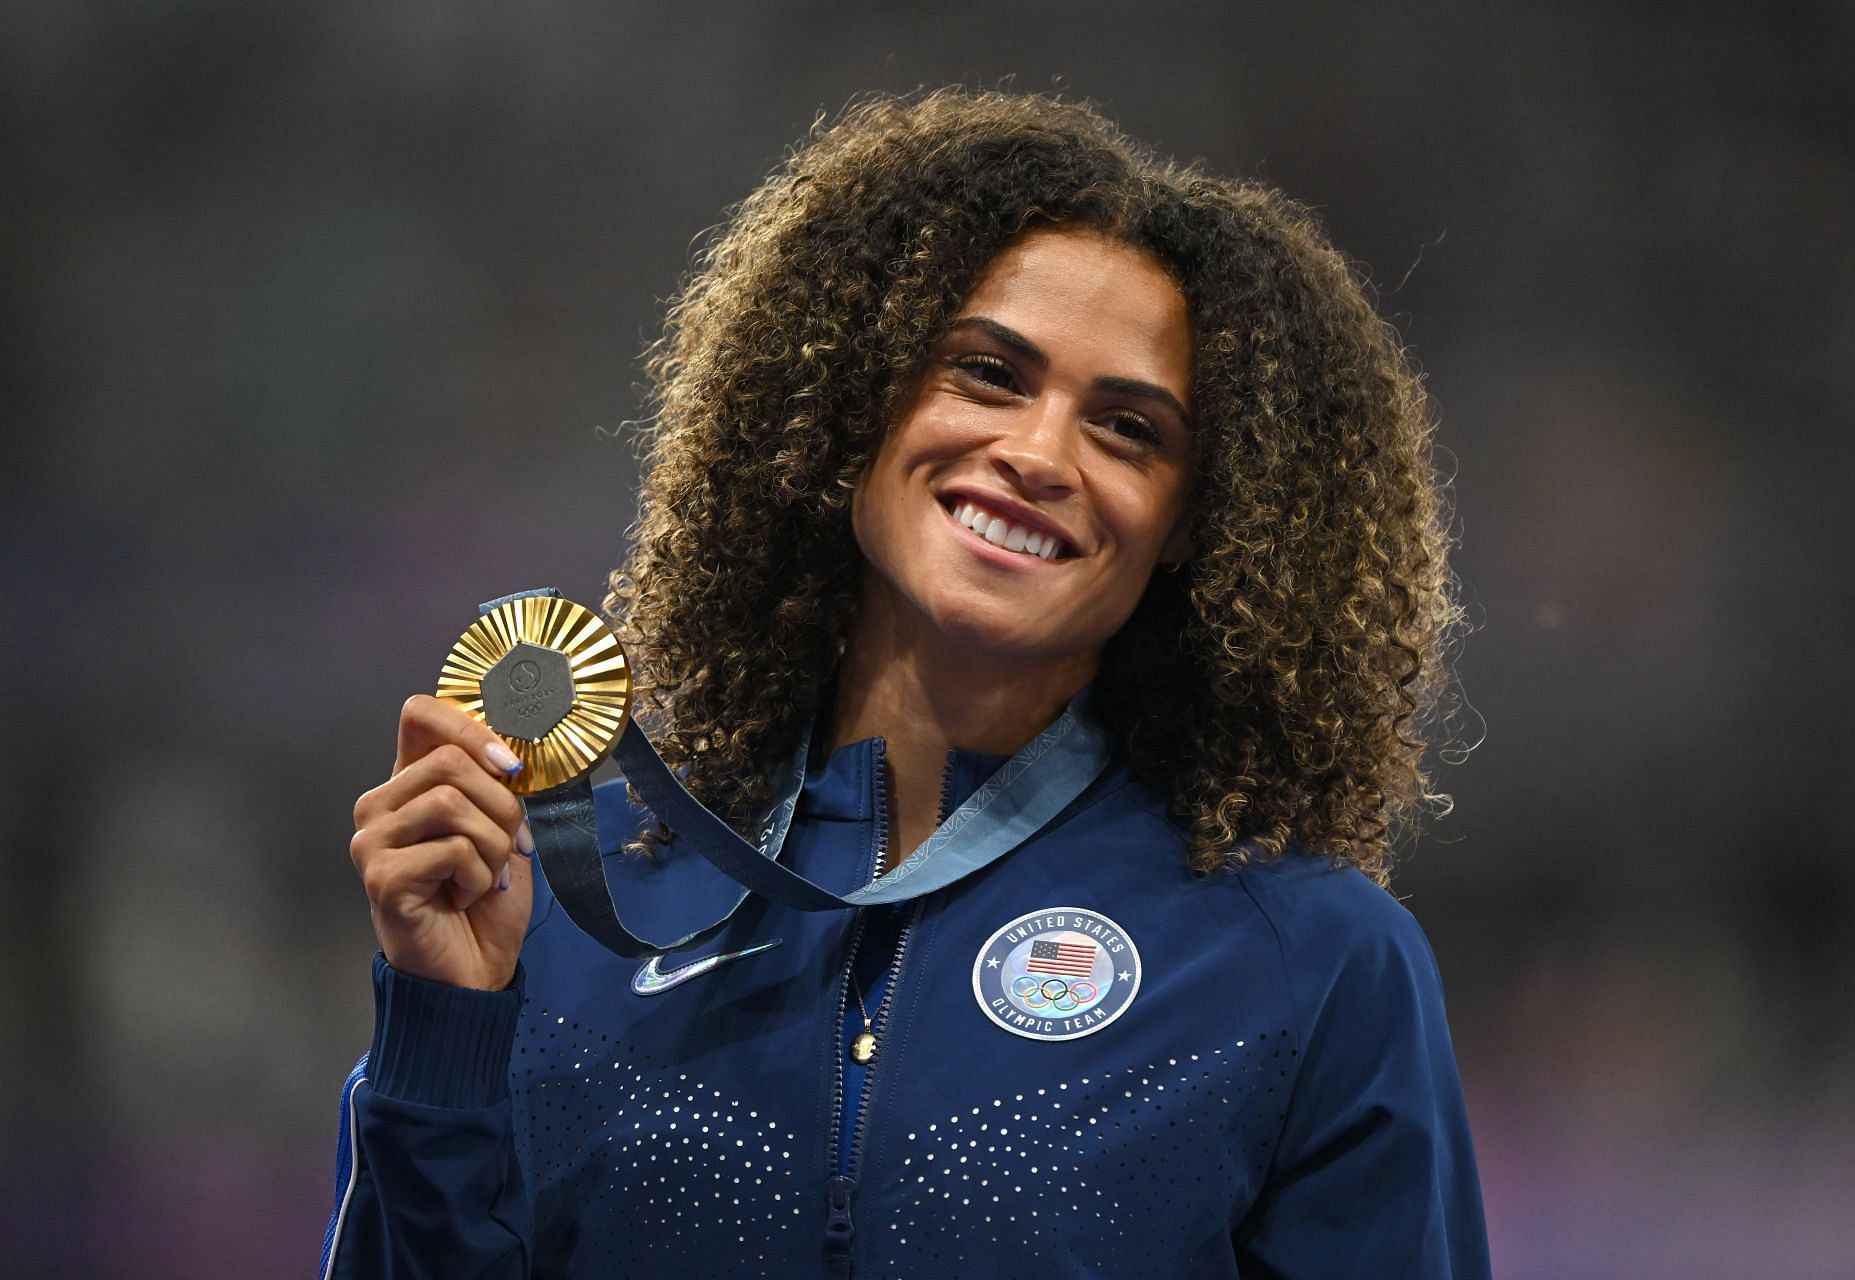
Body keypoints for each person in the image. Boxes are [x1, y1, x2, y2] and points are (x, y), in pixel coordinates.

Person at [322, 89, 1488, 1278]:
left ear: (1196, 522)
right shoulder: (566, 891)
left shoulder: (1309, 959)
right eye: (987, 372)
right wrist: (443, 1024)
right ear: (855, 393)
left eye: (1129, 428)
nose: (1038, 454)